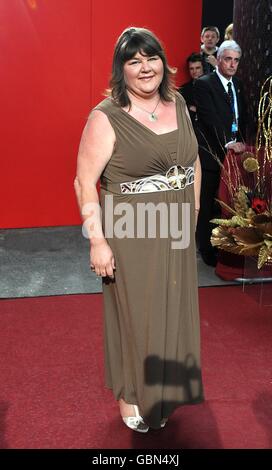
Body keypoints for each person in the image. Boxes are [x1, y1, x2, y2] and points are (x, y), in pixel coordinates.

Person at [74, 26, 204, 432]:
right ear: (122, 69)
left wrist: (192, 216)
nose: (145, 68)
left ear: (163, 63)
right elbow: (83, 182)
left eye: (151, 58)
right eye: (134, 61)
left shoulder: (178, 102)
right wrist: (97, 241)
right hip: (132, 231)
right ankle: (131, 395)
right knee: (136, 315)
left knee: (172, 312)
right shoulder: (106, 117)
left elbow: (193, 164)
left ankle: (161, 393)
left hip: (177, 225)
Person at [194, 40, 247, 266]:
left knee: (228, 203)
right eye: (228, 59)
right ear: (219, 59)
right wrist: (228, 142)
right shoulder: (204, 84)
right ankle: (206, 249)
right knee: (207, 204)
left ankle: (225, 246)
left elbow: (242, 118)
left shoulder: (239, 85)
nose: (232, 64)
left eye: (236, 60)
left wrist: (242, 143)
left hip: (235, 158)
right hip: (211, 156)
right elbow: (209, 119)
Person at [178, 53, 204, 127]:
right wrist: (189, 107)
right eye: (191, 68)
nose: (194, 71)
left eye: (197, 68)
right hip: (189, 127)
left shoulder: (211, 87)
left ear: (203, 68)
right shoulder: (183, 89)